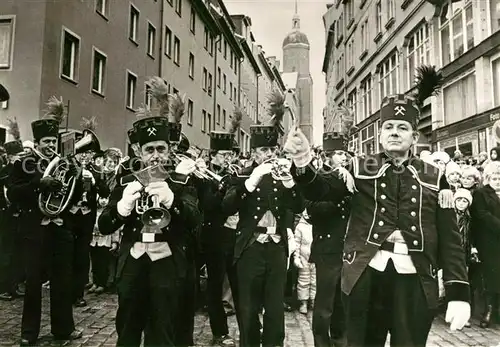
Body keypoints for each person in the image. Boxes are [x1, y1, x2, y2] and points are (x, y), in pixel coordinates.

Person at [285, 94, 471, 347]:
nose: (395, 133)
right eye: (389, 127)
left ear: (414, 137)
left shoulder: (435, 177)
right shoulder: (360, 167)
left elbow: (451, 241)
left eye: (402, 127)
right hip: (366, 276)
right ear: (381, 134)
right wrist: (302, 160)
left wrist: (459, 293)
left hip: (414, 278)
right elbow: (321, 190)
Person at [98, 116, 201, 346]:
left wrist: (173, 200)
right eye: (149, 149)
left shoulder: (182, 180)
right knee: (127, 329)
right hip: (133, 266)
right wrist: (122, 208)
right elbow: (104, 224)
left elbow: (195, 220)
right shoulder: (126, 181)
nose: (155, 155)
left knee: (163, 332)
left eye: (161, 149)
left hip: (167, 266)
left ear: (170, 150)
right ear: (138, 151)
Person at [222, 115, 304, 347]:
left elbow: (299, 206)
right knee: (248, 306)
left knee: (275, 306)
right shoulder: (242, 174)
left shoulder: (285, 174)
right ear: (254, 153)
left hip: (277, 246)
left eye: (271, 149)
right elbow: (226, 207)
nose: (267, 155)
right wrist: (250, 182)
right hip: (250, 246)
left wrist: (290, 183)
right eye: (262, 150)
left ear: (277, 150)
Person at [8, 110, 83, 345]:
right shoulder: (24, 163)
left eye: (53, 141)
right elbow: (12, 192)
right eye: (46, 142)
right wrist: (39, 183)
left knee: (62, 281)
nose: (51, 145)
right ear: (38, 143)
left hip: (59, 228)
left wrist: (76, 178)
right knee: (33, 284)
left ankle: (64, 330)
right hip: (34, 230)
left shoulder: (64, 163)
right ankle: (29, 333)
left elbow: (73, 195)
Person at [307, 132, 348, 347]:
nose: (344, 157)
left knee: (343, 300)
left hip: (348, 247)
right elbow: (312, 210)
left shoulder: (349, 176)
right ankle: (321, 343)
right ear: (327, 156)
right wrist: (339, 201)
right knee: (325, 302)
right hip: (327, 247)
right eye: (339, 153)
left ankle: (341, 341)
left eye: (345, 153)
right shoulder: (317, 177)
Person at [470, 161, 500, 328]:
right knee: (491, 276)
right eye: (495, 177)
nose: (498, 180)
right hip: (489, 241)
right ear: (488, 178)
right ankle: (488, 311)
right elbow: (482, 214)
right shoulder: (481, 194)